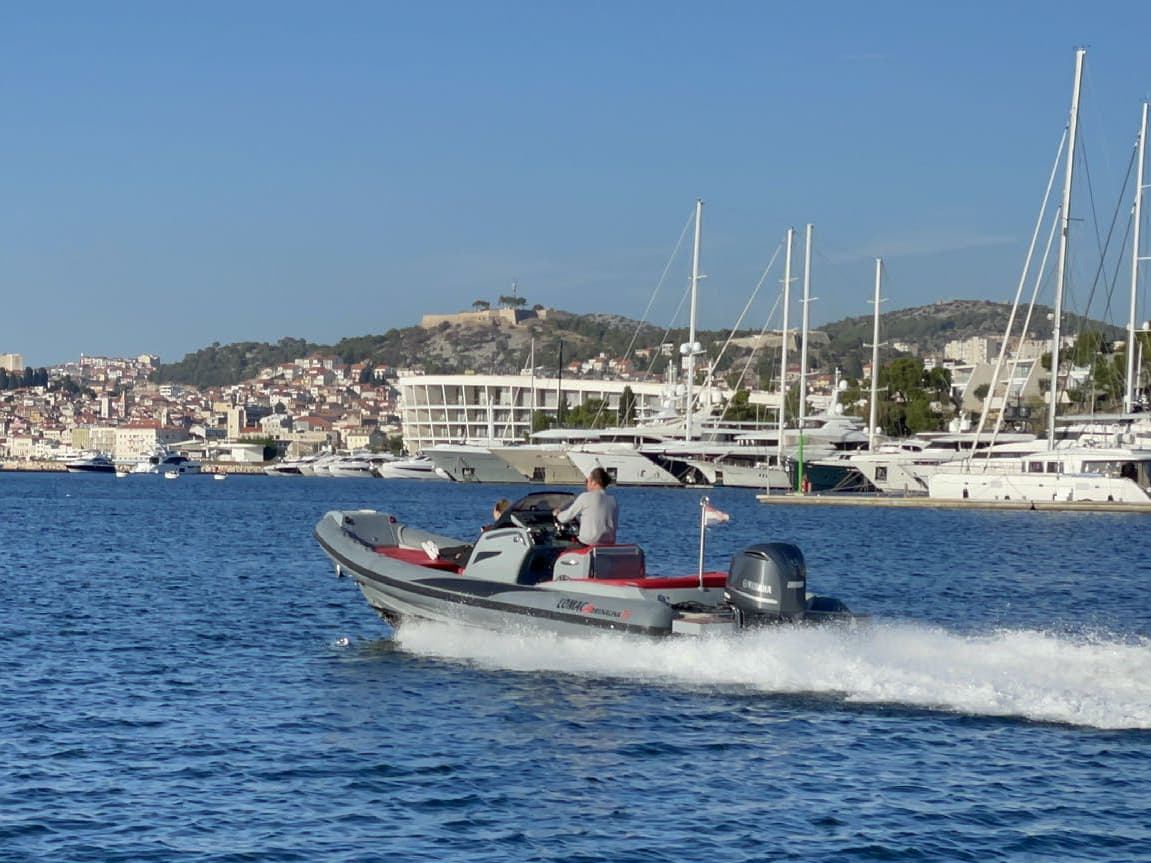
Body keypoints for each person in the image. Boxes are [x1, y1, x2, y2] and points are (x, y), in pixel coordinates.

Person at [422, 498, 512, 565]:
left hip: (478, 557)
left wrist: (484, 532)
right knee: (465, 547)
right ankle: (438, 551)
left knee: (461, 555)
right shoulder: (508, 526)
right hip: (484, 553)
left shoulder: (494, 528)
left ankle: (439, 556)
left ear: (497, 513)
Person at [553, 467, 618, 545]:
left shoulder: (585, 496)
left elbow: (564, 518)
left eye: (587, 481)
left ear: (594, 482)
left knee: (561, 550)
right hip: (608, 543)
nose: (586, 484)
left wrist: (557, 514)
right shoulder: (613, 500)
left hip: (588, 543)